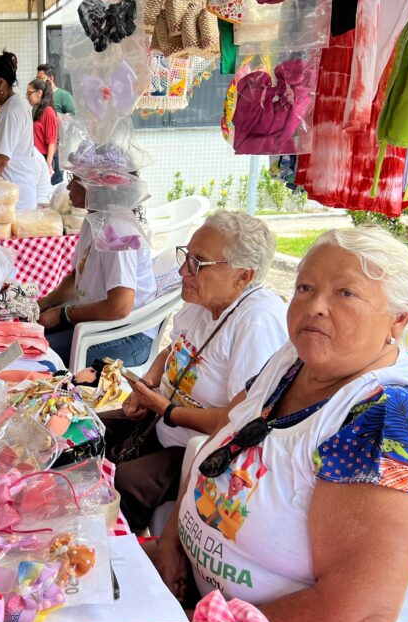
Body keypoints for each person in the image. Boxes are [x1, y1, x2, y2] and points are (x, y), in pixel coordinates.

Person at [149, 226, 408, 622]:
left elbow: (356, 614)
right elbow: (220, 448)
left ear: (398, 320)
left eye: (345, 293)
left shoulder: (390, 421)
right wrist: (174, 540)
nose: (315, 307)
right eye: (305, 287)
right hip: (223, 610)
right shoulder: (293, 360)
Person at [104, 211, 288, 532]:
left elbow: (239, 422)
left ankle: (122, 549)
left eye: (197, 263)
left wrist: (167, 410)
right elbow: (174, 349)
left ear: (243, 276)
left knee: (126, 483)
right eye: (186, 256)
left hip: (199, 446)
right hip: (160, 420)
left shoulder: (256, 322)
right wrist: (147, 385)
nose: (182, 271)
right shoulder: (201, 299)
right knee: (86, 432)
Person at [37, 175, 156, 367]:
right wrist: (44, 304)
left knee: (37, 356)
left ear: (98, 184)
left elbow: (119, 307)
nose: (68, 186)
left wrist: (63, 314)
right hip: (98, 323)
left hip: (129, 335)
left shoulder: (117, 227)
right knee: (28, 337)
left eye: (75, 178)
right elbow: (77, 278)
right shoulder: (94, 219)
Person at [0, 51, 37, 211]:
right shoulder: (9, 107)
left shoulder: (11, 111)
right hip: (9, 195)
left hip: (15, 201)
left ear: (0, 83)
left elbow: (1, 161)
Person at [36, 63, 76, 184]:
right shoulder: (40, 97)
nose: (38, 81)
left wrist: (56, 118)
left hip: (56, 147)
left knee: (54, 182)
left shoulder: (63, 95)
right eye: (37, 78)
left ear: (51, 78)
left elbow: (74, 117)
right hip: (40, 147)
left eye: (41, 78)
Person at [26, 78, 59, 179]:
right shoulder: (38, 110)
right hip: (36, 158)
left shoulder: (48, 112)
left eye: (29, 93)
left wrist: (48, 165)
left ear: (39, 93)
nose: (27, 97)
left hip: (44, 159)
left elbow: (52, 141)